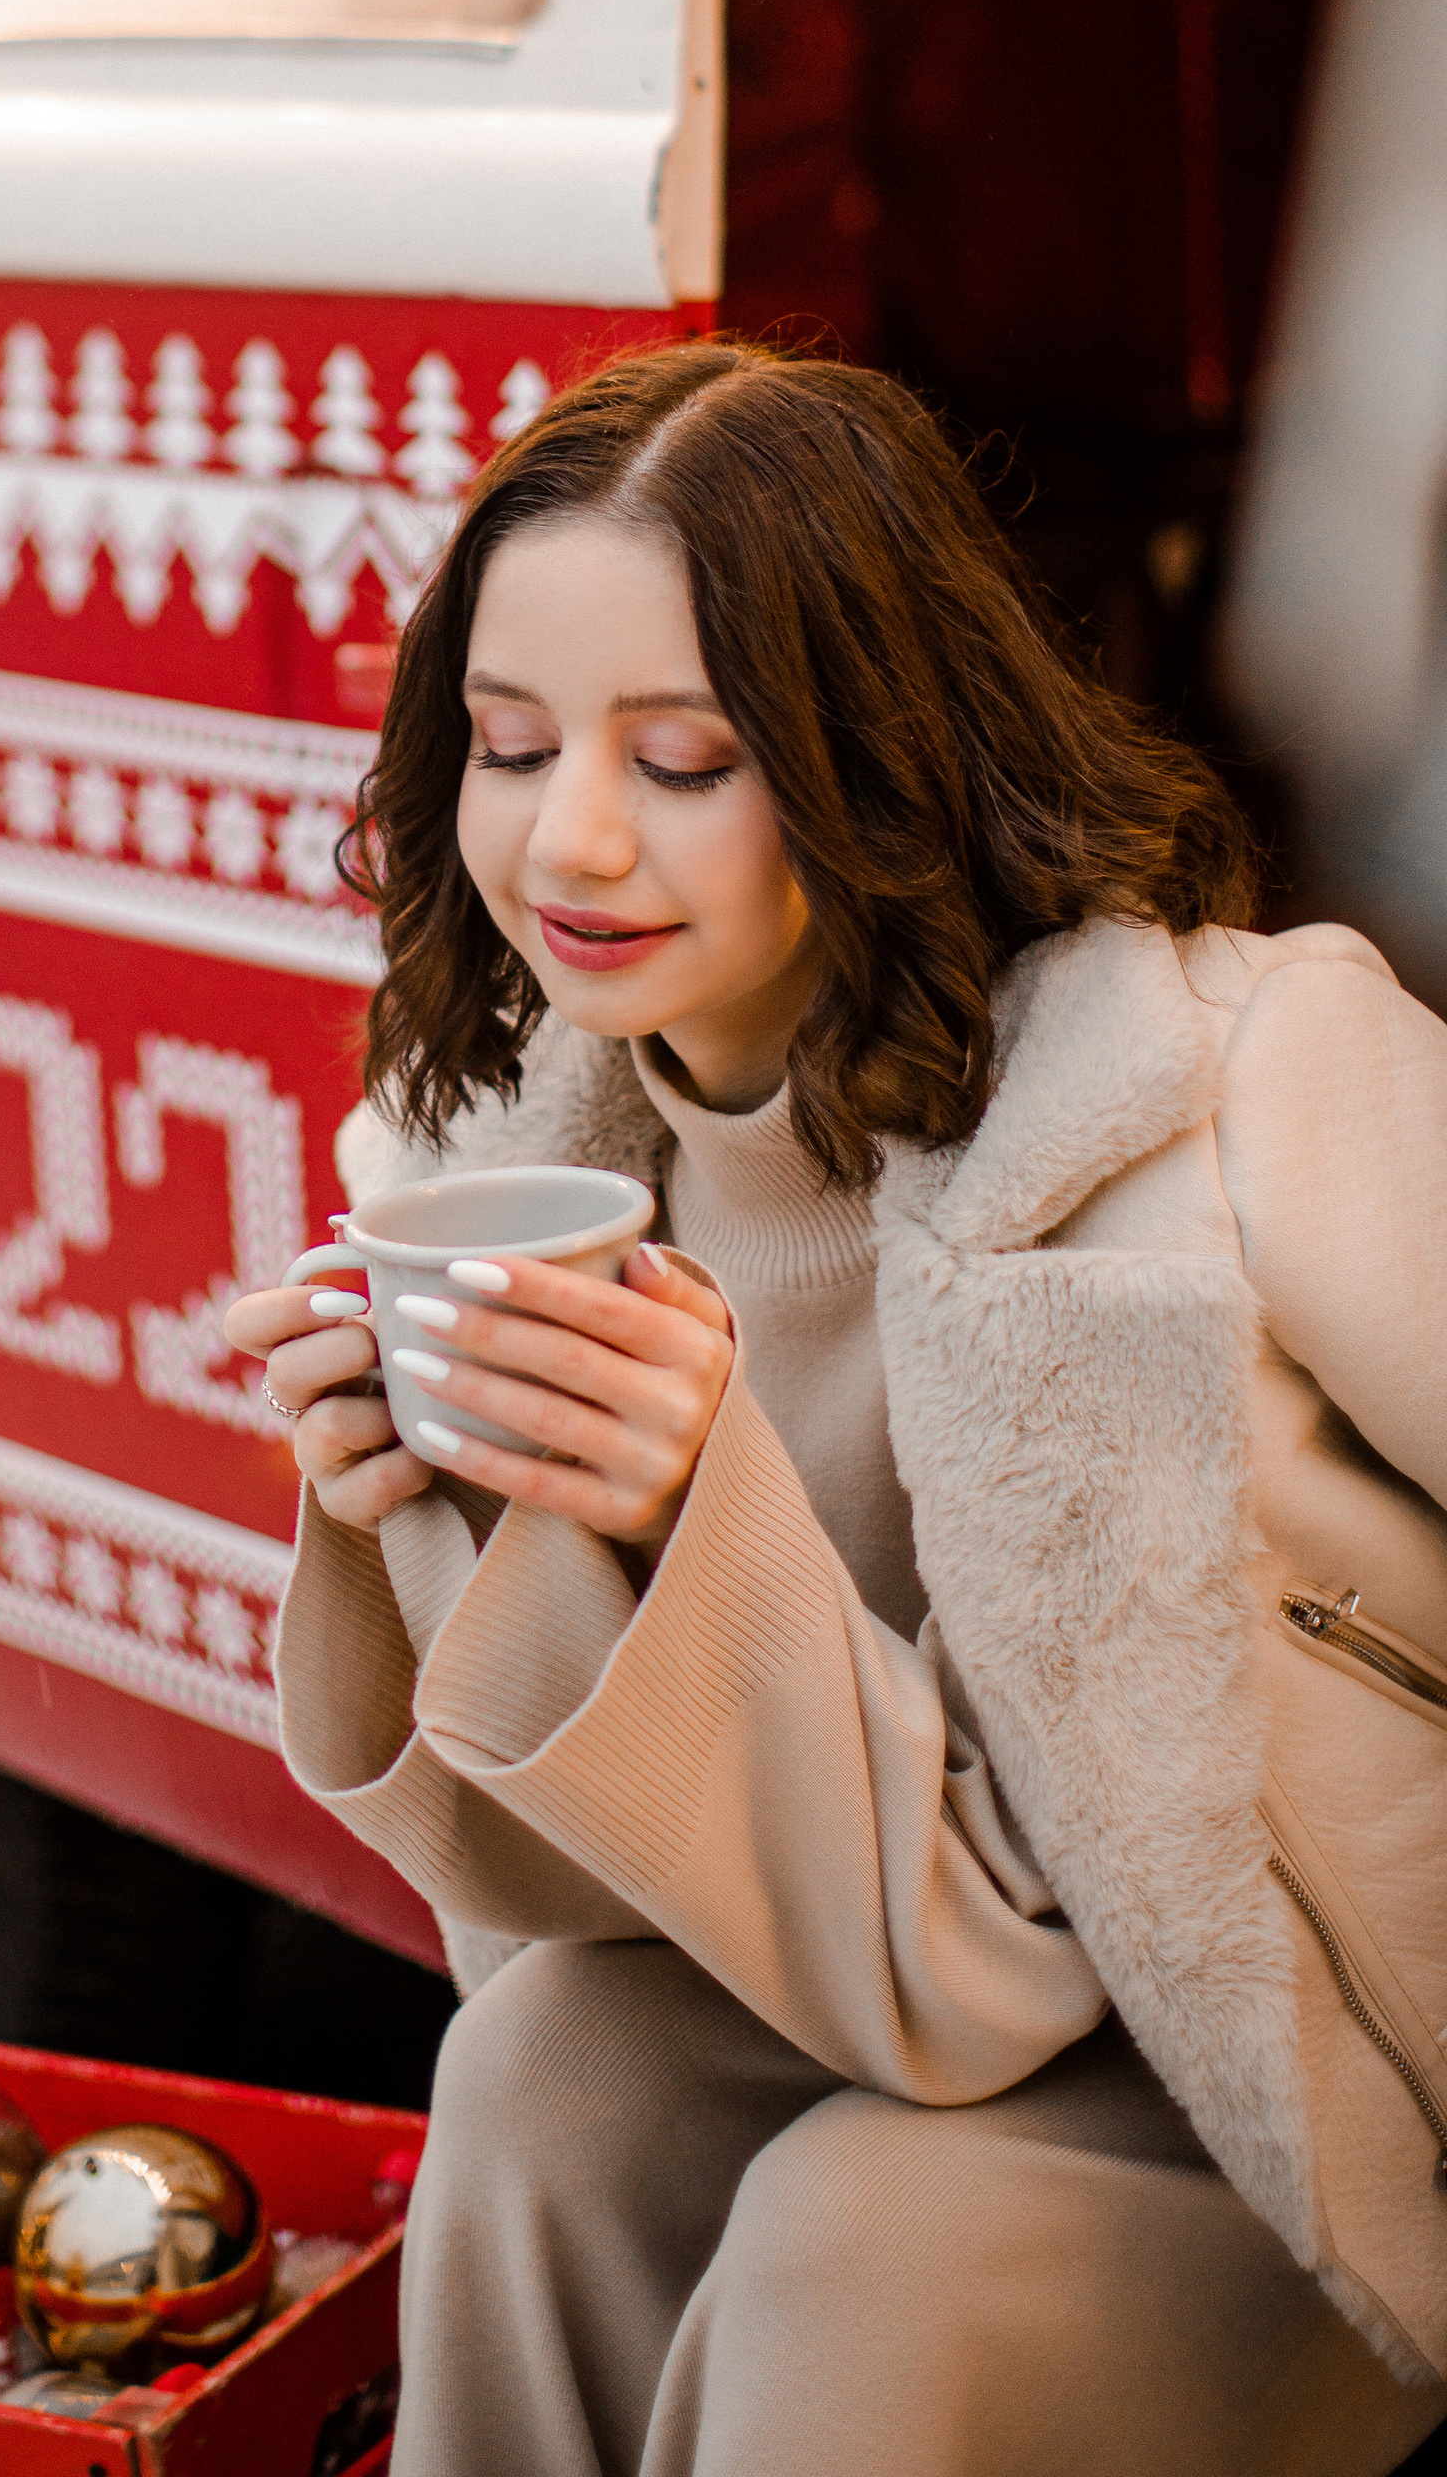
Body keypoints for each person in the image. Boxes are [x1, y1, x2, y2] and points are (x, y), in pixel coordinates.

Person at [224, 339, 1447, 2477]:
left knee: (855, 2244)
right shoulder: (497, 1176)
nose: (570, 836)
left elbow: (990, 1963)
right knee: (535, 2083)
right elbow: (568, 1900)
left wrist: (688, 1512)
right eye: (508, 745)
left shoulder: (1241, 1081)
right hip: (889, 1995)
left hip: (1279, 2060)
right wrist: (403, 1506)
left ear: (879, 748)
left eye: (685, 757)